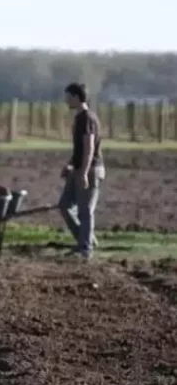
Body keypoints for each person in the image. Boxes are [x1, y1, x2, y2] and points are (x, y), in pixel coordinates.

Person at [58, 82, 105, 260]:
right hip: (79, 168)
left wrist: (84, 172)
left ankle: (85, 249)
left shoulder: (87, 118)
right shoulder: (80, 118)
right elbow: (79, 150)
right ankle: (86, 240)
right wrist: (70, 165)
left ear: (77, 97)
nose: (66, 100)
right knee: (64, 205)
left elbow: (89, 148)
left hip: (90, 169)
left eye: (68, 97)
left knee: (85, 211)